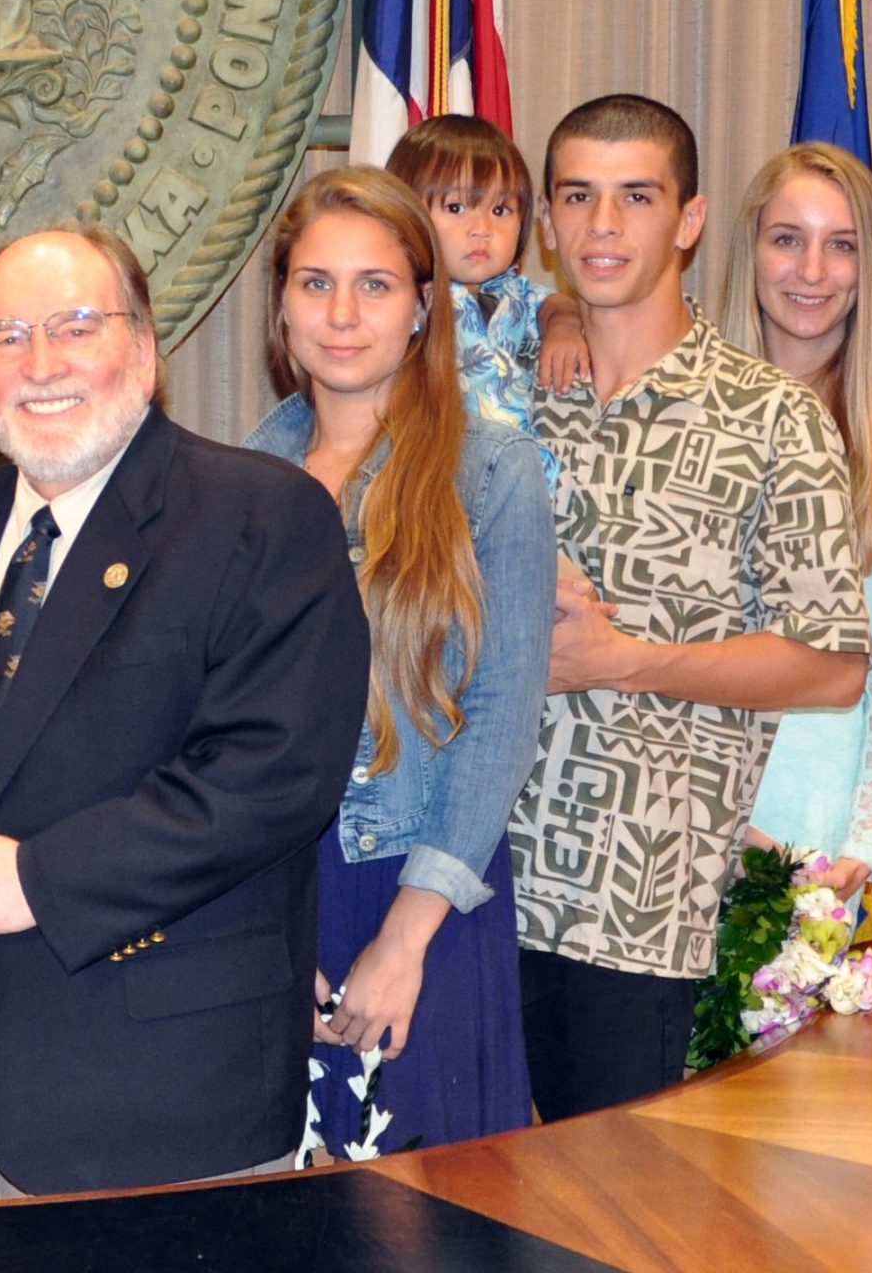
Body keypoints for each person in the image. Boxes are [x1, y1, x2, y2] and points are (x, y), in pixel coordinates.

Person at [0, 226, 369, 1198]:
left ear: (146, 347)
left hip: (168, 1100)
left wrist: (35, 877)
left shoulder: (261, 516)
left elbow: (274, 775)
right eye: (5, 336)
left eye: (77, 326)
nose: (40, 364)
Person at [508, 95, 871, 1121]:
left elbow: (834, 664)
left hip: (640, 909)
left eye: (636, 196)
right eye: (577, 196)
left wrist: (627, 657)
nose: (603, 226)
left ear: (690, 219)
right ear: (545, 218)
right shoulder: (506, 397)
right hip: (473, 891)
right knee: (466, 1221)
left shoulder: (771, 420)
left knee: (606, 1223)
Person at [241, 169, 554, 1157]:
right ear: (281, 302)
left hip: (421, 887)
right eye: (314, 282)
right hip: (276, 887)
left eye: (374, 285)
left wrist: (403, 940)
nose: (341, 314)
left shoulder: (489, 466)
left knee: (428, 1214)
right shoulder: (243, 473)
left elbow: (501, 710)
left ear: (423, 305)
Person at [725, 145, 872, 914]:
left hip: (815, 833)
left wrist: (863, 843)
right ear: (750, 249)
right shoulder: (689, 415)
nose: (812, 271)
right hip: (678, 807)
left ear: (871, 268)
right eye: (787, 238)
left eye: (842, 245)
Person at [384, 116, 592, 474]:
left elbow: (554, 304)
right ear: (407, 212)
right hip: (437, 480)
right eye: (455, 208)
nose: (482, 229)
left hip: (521, 479)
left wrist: (565, 327)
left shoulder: (511, 292)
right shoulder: (408, 299)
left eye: (500, 210)